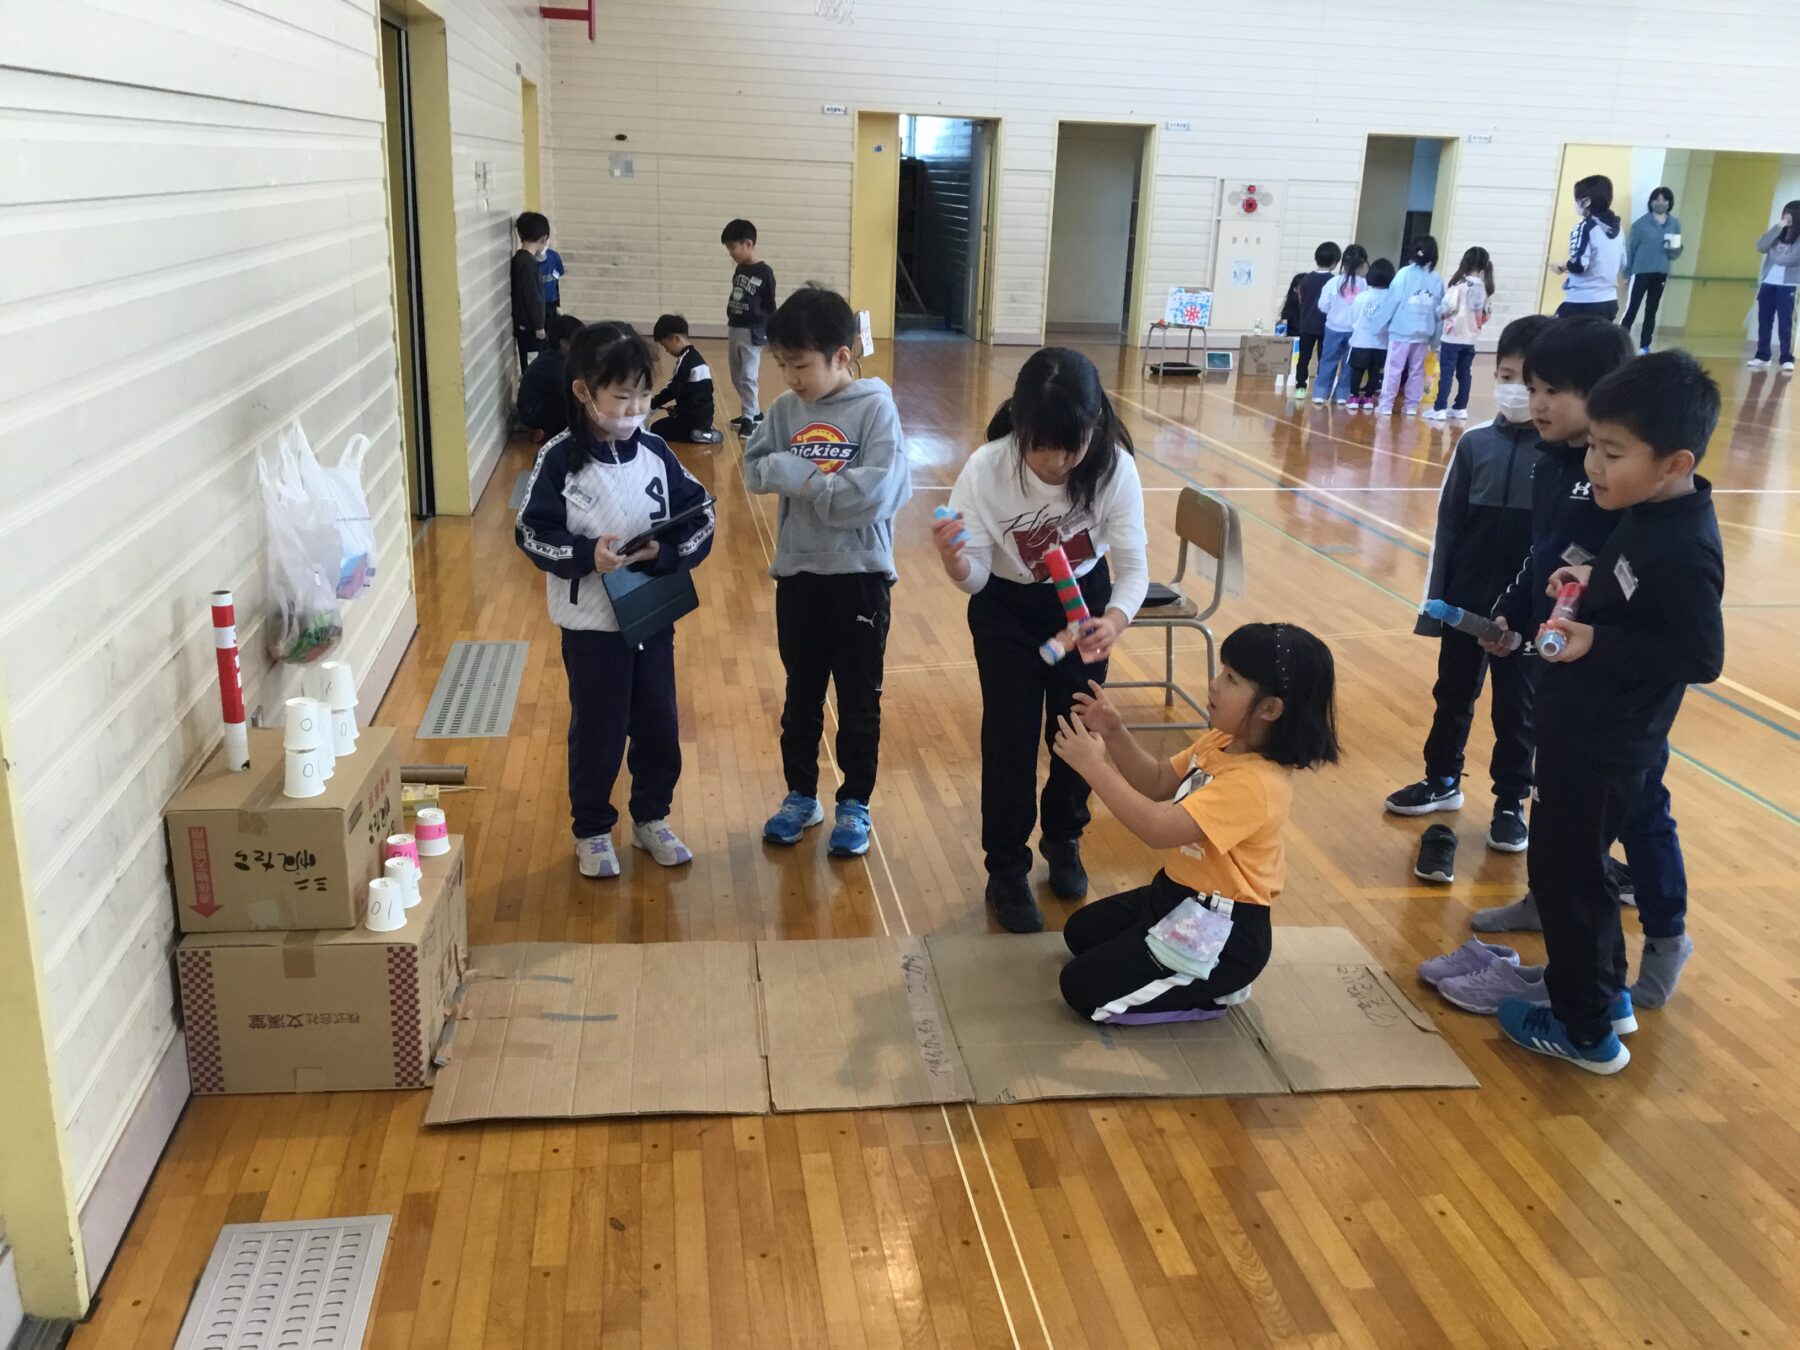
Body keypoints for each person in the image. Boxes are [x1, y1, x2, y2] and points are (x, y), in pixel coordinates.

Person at [1444, 322, 1699, 1012]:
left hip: (1620, 701)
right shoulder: (1563, 465)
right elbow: (1552, 560)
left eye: (1554, 390)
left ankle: (1665, 933)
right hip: (1570, 675)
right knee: (1562, 822)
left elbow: (1647, 610)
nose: (1538, 403)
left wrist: (1589, 637)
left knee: (1640, 808)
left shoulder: (1630, 489)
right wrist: (1513, 618)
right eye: (1531, 387)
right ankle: (1549, 909)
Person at [1496, 351, 1724, 1074]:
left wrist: (1597, 636)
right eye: (1592, 444)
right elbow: (1634, 589)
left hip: (1608, 739)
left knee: (1568, 876)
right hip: (1580, 726)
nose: (1593, 464)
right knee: (1572, 869)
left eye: (1613, 452)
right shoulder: (1643, 511)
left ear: (1673, 462)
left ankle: (1584, 1028)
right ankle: (1601, 997)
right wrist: (1587, 585)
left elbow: (1699, 655)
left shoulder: (1685, 545)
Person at [931, 349, 1148, 934]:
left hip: (1083, 609)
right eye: (1040, 445)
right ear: (1020, 428)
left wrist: (1116, 621)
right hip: (1007, 610)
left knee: (1077, 730)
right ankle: (1005, 867)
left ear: (1094, 427)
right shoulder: (986, 468)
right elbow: (976, 578)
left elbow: (1133, 568)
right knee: (1009, 738)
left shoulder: (1114, 469)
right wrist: (956, 563)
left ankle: (1064, 836)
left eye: (1070, 446)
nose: (1055, 462)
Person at [1050, 624, 1340, 1023]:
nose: (1214, 684)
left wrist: (1092, 767)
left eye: (1231, 679)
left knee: (1081, 990)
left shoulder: (1256, 783)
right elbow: (1154, 782)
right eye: (1223, 672)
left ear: (1270, 709)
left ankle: (1214, 989)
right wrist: (1115, 732)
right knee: (1080, 933)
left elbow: (1156, 827)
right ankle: (1177, 965)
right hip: (1176, 894)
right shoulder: (1221, 741)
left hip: (1221, 928)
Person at [515, 323, 716, 880]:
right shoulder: (560, 458)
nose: (634, 409)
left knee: (658, 722)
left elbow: (701, 518)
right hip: (590, 626)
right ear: (584, 392)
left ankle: (652, 816)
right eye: (621, 397)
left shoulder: (656, 452)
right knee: (598, 728)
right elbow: (531, 532)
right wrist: (584, 554)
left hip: (652, 614)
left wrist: (665, 551)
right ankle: (593, 829)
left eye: (644, 397)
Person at [745, 286, 912, 859]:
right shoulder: (785, 410)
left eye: (801, 364)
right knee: (801, 695)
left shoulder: (875, 409)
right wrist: (786, 473)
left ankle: (855, 804)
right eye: (782, 365)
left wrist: (808, 482)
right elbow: (754, 467)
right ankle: (800, 796)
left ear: (842, 355)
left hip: (860, 574)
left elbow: (874, 496)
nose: (791, 377)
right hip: (798, 573)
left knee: (860, 699)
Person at [1387, 315, 1552, 856]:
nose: (1517, 391)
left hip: (1525, 614)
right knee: (1452, 694)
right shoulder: (1475, 444)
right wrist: (1436, 604)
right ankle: (1442, 780)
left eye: (1530, 384)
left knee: (1516, 709)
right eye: (1507, 375)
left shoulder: (1560, 457)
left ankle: (1510, 800)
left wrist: (1534, 615)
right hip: (1464, 601)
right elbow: (1448, 525)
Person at [1375, 236, 1445, 416]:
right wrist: (1436, 340)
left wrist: (1377, 324)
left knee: (1393, 369)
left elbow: (1392, 300)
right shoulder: (1436, 278)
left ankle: (1386, 405)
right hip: (1423, 333)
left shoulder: (1404, 273)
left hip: (1401, 331)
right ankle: (1411, 406)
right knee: (1417, 370)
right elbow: (1439, 311)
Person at [722, 219, 778, 433]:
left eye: (732, 247)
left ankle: (748, 419)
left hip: (753, 331)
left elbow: (770, 305)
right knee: (736, 374)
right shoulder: (740, 270)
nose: (731, 252)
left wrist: (770, 330)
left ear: (748, 243)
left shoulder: (765, 272)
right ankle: (753, 411)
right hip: (735, 326)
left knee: (748, 375)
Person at [1426, 247, 1493, 422]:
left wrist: (1438, 312)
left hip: (1453, 335)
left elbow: (1447, 308)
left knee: (1447, 372)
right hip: (1470, 338)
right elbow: (1486, 316)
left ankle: (1439, 408)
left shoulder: (1459, 285)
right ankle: (1460, 407)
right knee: (1464, 373)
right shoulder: (1485, 289)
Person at [1551, 174, 1624, 320]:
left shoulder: (1585, 227)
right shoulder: (1618, 229)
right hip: (1609, 301)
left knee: (1551, 338)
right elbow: (1622, 263)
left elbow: (1579, 265)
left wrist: (1563, 265)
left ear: (1586, 201)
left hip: (1582, 302)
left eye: (1577, 199)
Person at [1621, 187, 1682, 353]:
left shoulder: (1674, 224)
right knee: (1632, 308)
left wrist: (1673, 248)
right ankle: (1620, 343)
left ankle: (1645, 345)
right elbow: (1630, 249)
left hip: (1661, 271)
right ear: (1651, 202)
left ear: (1670, 203)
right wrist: (1627, 273)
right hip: (1640, 271)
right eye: (1657, 199)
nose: (1660, 203)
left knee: (1652, 310)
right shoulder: (1641, 224)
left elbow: (1675, 252)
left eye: (1664, 200)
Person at [649, 314, 721, 444]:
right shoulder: (697, 359)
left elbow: (673, 390)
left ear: (676, 339)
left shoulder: (684, 361)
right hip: (704, 416)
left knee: (656, 429)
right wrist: (677, 408)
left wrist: (653, 403)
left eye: (665, 345)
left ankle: (698, 433)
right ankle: (704, 428)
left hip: (691, 419)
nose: (666, 351)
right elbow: (696, 395)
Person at [1748, 200, 1800, 373]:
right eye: (1785, 213)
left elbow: (1791, 259)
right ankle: (1762, 355)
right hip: (1768, 282)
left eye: (1790, 213)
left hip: (1790, 284)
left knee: (1786, 322)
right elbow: (1760, 246)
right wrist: (1779, 226)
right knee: (1764, 320)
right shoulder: (1777, 234)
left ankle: (1786, 357)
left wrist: (1775, 254)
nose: (1787, 216)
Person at [1314, 244, 1368, 406]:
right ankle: (1343, 394)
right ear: (1363, 264)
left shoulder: (1334, 282)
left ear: (1343, 263)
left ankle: (1321, 393)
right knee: (1349, 364)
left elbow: (1323, 305)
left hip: (1333, 328)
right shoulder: (1365, 285)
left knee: (1328, 360)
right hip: (1355, 331)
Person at [518, 313, 585, 439]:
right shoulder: (557, 363)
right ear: (564, 343)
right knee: (574, 395)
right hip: (533, 412)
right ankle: (549, 429)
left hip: (532, 409)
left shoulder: (553, 356)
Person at [1291, 241, 1342, 392]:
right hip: (1325, 327)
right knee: (1324, 358)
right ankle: (1320, 389)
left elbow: (1301, 300)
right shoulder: (1334, 281)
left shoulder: (1306, 279)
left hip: (1306, 324)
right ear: (1334, 262)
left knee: (1303, 358)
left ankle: (1300, 386)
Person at [1346, 258, 1394, 411]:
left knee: (1357, 370)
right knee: (1375, 372)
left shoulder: (1361, 296)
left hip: (1361, 340)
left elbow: (1353, 317)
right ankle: (1368, 398)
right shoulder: (1391, 298)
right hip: (1381, 343)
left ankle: (1353, 397)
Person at [511, 211, 551, 374]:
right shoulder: (529, 264)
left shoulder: (519, 259)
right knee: (533, 366)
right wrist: (539, 326)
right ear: (544, 237)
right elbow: (533, 296)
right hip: (530, 328)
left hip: (523, 325)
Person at [540, 240, 566, 328]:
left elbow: (560, 272)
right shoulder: (553, 255)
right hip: (550, 299)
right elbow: (560, 272)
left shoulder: (553, 256)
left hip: (544, 301)